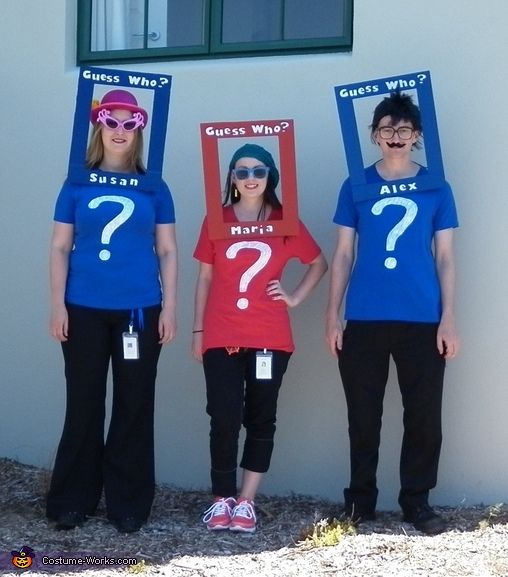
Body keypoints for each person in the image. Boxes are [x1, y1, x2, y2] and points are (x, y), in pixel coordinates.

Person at [325, 92, 459, 535]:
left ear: (417, 136)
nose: (395, 137)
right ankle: (360, 502)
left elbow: (445, 257)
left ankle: (416, 502)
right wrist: (333, 314)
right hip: (364, 317)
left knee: (423, 415)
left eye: (403, 130)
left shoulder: (436, 186)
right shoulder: (356, 185)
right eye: (386, 129)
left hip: (422, 318)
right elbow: (343, 254)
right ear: (374, 136)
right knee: (362, 414)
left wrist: (449, 317)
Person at [46, 89, 178, 533]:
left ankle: (128, 503)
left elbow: (168, 250)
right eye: (111, 121)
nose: (120, 131)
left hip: (139, 311)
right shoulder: (76, 182)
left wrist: (171, 308)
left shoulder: (154, 185)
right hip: (82, 308)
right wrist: (57, 305)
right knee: (83, 403)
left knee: (134, 404)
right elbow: (61, 246)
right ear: (98, 125)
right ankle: (72, 500)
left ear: (139, 130)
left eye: (129, 123)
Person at [193, 143, 327, 532]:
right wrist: (198, 330)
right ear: (232, 178)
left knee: (261, 417)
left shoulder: (286, 222)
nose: (250, 178)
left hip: (270, 335)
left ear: (270, 177)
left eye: (258, 171)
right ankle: (222, 499)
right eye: (241, 171)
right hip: (221, 333)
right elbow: (204, 278)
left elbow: (318, 263)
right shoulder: (216, 221)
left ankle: (246, 501)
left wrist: (294, 297)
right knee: (223, 416)